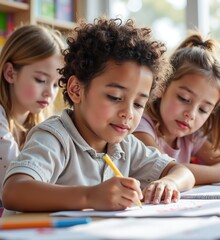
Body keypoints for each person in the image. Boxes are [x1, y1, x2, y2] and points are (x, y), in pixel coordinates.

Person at [2, 17, 195, 212]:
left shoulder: (126, 145)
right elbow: (13, 191)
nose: (128, 113)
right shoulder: (54, 138)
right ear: (76, 90)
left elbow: (183, 172)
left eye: (138, 104)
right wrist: (90, 196)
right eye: (114, 97)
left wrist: (169, 183)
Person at [133, 33, 220, 184]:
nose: (191, 114)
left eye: (203, 110)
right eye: (184, 99)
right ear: (162, 86)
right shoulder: (141, 124)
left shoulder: (191, 136)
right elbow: (164, 170)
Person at [0, 24, 64, 204]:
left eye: (55, 84)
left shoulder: (41, 128)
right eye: (41, 80)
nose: (50, 93)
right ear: (10, 73)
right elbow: (19, 184)